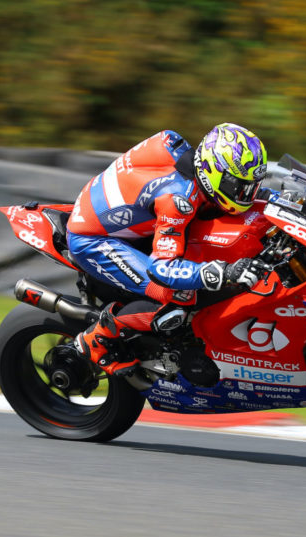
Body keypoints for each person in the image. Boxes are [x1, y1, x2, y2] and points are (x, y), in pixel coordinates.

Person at [65, 122, 268, 376]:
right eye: (239, 186)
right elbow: (162, 269)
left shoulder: (176, 143)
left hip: (114, 213)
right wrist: (223, 272)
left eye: (252, 187)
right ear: (213, 173)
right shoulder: (177, 200)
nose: (246, 194)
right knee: (179, 294)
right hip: (93, 239)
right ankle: (99, 338)